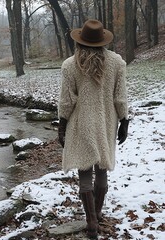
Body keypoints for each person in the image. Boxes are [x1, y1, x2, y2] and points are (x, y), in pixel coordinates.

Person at [58, 19, 129, 239]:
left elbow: (67, 101)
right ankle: (96, 214)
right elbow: (120, 97)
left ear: (80, 41)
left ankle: (91, 223)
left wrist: (62, 124)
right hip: (106, 122)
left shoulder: (70, 65)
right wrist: (124, 121)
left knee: (85, 173)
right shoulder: (117, 63)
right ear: (102, 42)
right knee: (102, 170)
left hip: (81, 124)